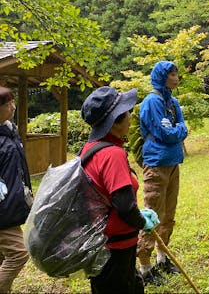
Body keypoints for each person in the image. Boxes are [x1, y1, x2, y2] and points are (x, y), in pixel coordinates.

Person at [81, 86, 160, 294]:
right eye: (127, 112)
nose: (130, 116)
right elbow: (124, 206)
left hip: (100, 244)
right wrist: (142, 222)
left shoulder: (90, 148)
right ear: (115, 121)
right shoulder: (112, 154)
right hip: (116, 247)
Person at [137, 61, 188, 284]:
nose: (177, 78)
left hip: (173, 162)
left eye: (177, 74)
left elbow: (180, 128)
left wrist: (177, 130)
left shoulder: (172, 101)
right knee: (152, 214)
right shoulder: (152, 102)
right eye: (173, 74)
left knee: (168, 214)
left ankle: (161, 257)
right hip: (156, 164)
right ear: (162, 77)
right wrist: (179, 131)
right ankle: (145, 266)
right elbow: (163, 134)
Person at [0, 86, 32, 293]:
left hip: (10, 206)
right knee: (19, 253)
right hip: (3, 211)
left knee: (2, 256)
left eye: (13, 101)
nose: (13, 106)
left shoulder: (9, 131)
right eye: (8, 103)